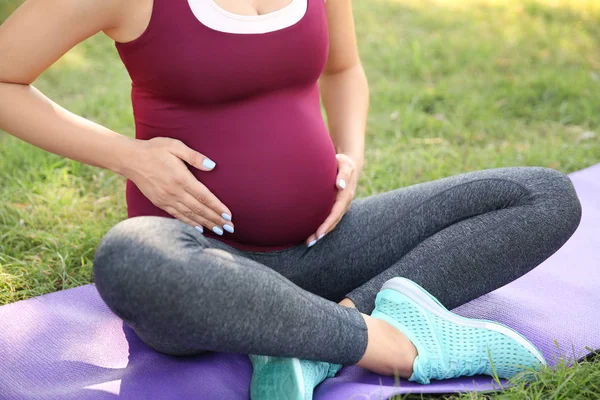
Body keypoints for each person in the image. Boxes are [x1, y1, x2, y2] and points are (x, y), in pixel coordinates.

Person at [0, 0, 582, 399]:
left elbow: (345, 68)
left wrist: (349, 156)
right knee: (129, 258)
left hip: (324, 247)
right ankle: (385, 345)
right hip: (201, 270)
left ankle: (319, 339)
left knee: (542, 195)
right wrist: (128, 155)